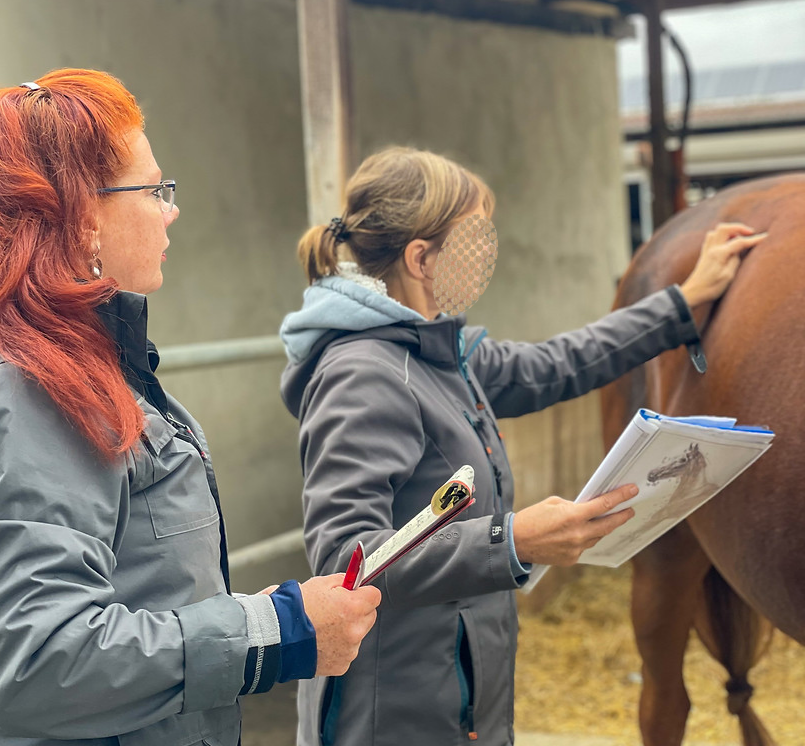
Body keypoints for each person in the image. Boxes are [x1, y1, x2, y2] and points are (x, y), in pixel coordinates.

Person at [279, 146, 766, 745]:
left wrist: (680, 306)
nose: (486, 254)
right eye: (474, 238)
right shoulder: (364, 373)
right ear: (420, 258)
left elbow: (558, 363)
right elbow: (347, 556)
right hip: (393, 713)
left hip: (454, 698)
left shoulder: (438, 352)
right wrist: (515, 539)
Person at [0, 69, 380, 746]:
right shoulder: (35, 389)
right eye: (153, 190)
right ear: (83, 216)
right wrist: (277, 632)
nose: (170, 208)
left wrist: (249, 616)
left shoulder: (85, 361)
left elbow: (136, 592)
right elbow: (35, 662)